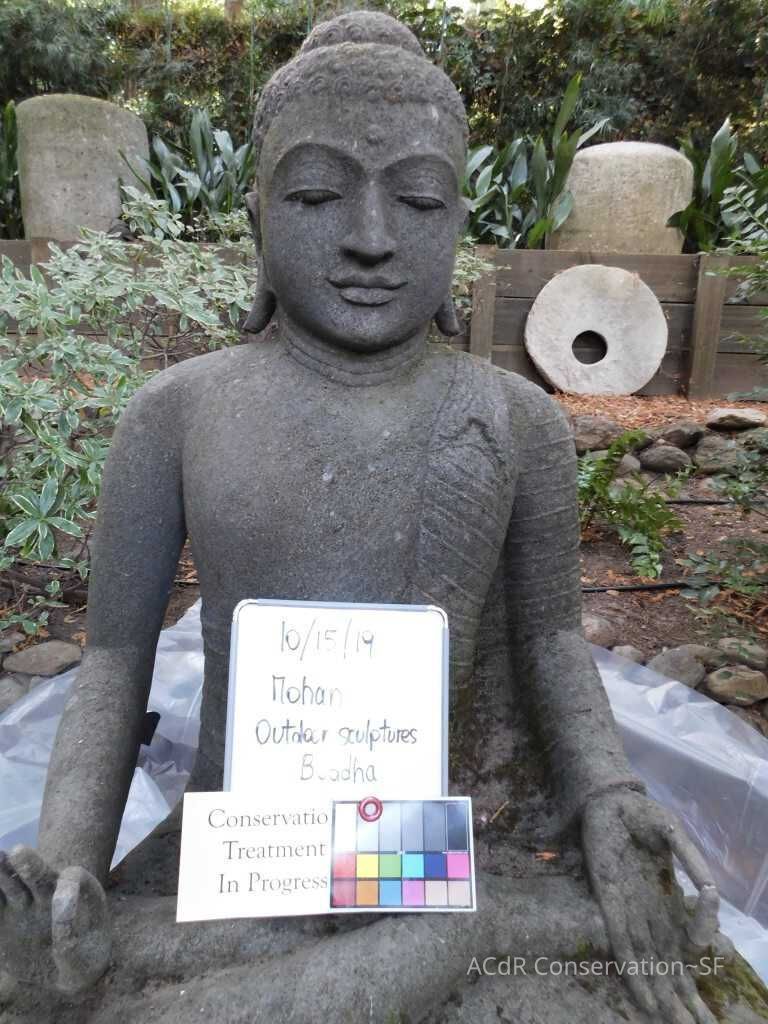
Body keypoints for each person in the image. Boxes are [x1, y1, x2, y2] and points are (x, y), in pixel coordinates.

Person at [0, 13, 722, 1023]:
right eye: (316, 196)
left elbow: (553, 638)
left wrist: (607, 797)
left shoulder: (515, 420)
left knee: (606, 933)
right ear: (258, 216)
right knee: (99, 952)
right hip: (245, 846)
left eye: (418, 200)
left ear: (457, 218)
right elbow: (117, 660)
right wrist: (70, 866)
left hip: (441, 840)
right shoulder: (179, 413)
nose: (372, 238)